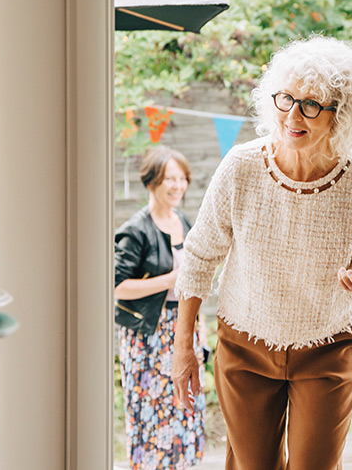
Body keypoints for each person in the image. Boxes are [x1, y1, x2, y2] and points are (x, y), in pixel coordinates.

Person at [170, 36, 352, 470]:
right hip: (246, 345)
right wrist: (183, 348)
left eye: (311, 104)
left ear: (340, 115)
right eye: (286, 98)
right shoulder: (241, 166)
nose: (292, 115)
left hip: (328, 347)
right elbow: (199, 257)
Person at [113, 146, 205, 470]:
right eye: (170, 178)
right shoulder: (135, 230)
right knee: (149, 414)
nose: (178, 185)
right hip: (146, 336)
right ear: (152, 181)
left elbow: (195, 283)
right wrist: (171, 279)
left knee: (185, 410)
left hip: (183, 329)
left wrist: (200, 333)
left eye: (182, 179)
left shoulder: (184, 221)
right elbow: (116, 287)